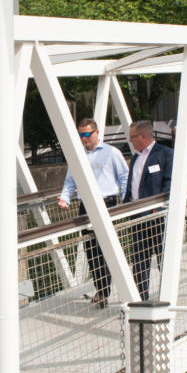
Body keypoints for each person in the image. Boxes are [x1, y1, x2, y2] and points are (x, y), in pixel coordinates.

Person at [58, 117, 129, 308]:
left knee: (107, 247)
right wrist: (65, 198)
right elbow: (70, 182)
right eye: (81, 135)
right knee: (91, 250)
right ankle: (102, 290)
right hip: (86, 206)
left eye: (88, 134)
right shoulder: (77, 155)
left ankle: (113, 289)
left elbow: (124, 176)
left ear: (97, 133)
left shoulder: (111, 152)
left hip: (107, 204)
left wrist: (126, 201)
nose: (84, 138)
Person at [122, 120, 174, 300]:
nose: (130, 141)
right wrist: (126, 205)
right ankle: (141, 297)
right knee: (139, 259)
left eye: (132, 137)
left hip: (156, 215)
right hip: (137, 216)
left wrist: (159, 206)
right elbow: (132, 184)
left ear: (142, 136)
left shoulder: (165, 153)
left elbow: (169, 182)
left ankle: (167, 295)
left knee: (162, 257)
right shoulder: (135, 157)